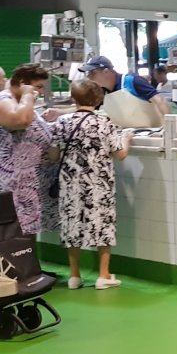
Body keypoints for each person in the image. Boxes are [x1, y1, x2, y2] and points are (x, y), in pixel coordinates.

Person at [54, 79, 133, 290]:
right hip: (99, 185)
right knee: (102, 226)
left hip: (70, 184)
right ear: (99, 99)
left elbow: (53, 155)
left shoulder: (62, 122)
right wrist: (126, 139)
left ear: (73, 98)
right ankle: (103, 275)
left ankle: (74, 276)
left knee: (72, 226)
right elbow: (121, 154)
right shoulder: (105, 122)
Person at [0, 64, 55, 239]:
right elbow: (21, 120)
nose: (39, 91)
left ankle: (27, 267)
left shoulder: (22, 101)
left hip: (30, 185)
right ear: (23, 83)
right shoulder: (4, 99)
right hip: (13, 185)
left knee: (25, 239)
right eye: (37, 86)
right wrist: (27, 93)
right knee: (13, 239)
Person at [81, 56, 170, 120]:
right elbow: (87, 108)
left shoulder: (132, 81)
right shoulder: (102, 91)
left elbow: (160, 101)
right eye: (88, 74)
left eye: (92, 73)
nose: (89, 77)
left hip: (150, 133)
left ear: (106, 71)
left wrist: (169, 127)